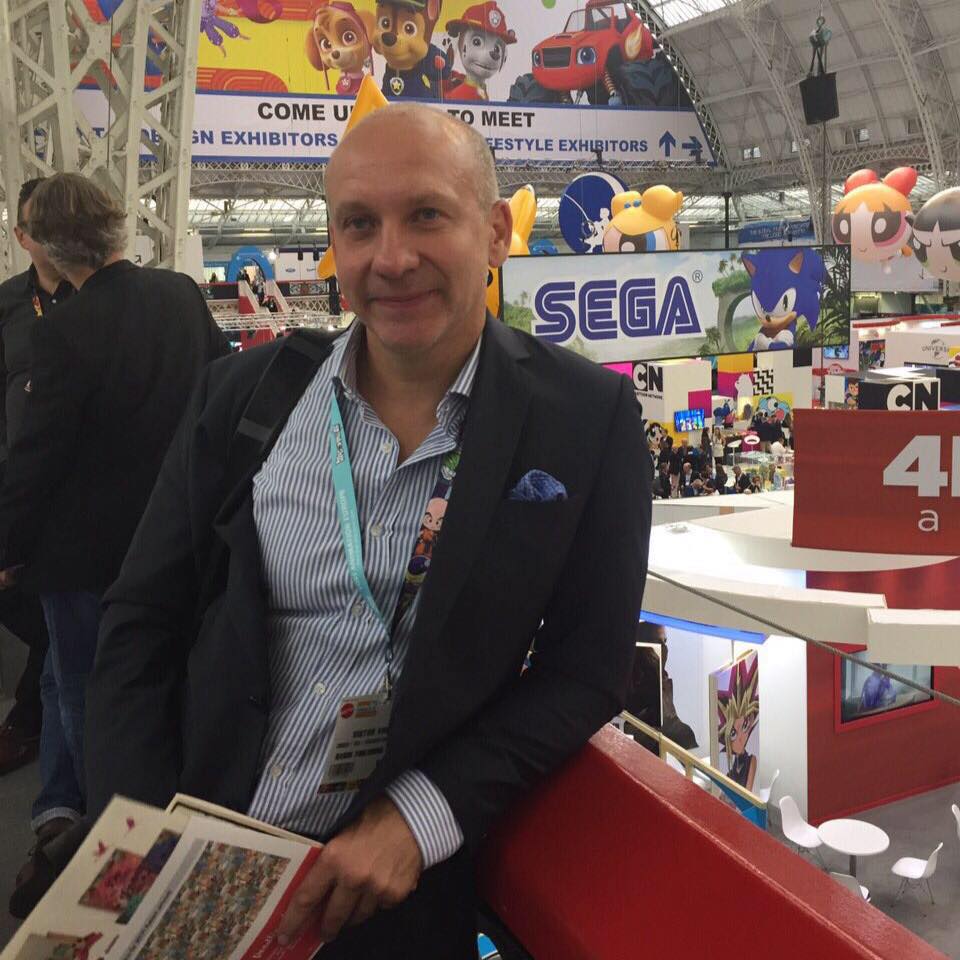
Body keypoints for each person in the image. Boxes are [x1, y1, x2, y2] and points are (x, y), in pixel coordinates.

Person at [82, 105, 651, 956]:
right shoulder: (244, 399)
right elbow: (141, 620)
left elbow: (586, 669)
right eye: (359, 225)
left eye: (426, 215)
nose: (391, 258)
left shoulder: (585, 421)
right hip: (203, 857)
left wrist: (421, 815)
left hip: (387, 900)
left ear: (496, 232)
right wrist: (141, 838)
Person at [0, 173, 229, 904]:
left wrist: (6, 549)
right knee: (151, 684)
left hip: (84, 557)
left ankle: (112, 850)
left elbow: (37, 459)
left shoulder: (61, 331)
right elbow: (224, 392)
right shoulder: (180, 295)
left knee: (87, 696)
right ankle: (108, 817)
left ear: (46, 246)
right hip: (174, 539)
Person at [0, 179, 74, 779]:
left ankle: (28, 723)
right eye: (38, 224)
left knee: (65, 605)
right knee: (46, 611)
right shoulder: (7, 305)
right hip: (17, 481)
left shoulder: (100, 296)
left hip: (81, 490)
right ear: (22, 237)